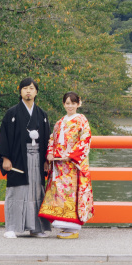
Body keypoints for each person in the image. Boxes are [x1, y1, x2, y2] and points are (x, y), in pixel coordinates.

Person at [0, 77, 52, 238]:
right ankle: (12, 228)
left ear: (36, 92)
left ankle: (36, 228)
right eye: (25, 88)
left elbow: (47, 137)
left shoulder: (42, 114)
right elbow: (4, 137)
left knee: (36, 192)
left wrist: (46, 160)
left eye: (32, 88)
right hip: (18, 158)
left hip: (37, 158)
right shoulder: (11, 113)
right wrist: (5, 158)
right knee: (17, 191)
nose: (28, 91)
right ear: (20, 91)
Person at [38, 91, 94, 239]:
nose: (70, 106)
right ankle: (65, 226)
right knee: (60, 194)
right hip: (59, 164)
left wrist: (71, 156)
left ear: (78, 104)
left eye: (73, 103)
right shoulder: (60, 122)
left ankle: (73, 228)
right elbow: (51, 139)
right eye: (67, 103)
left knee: (72, 194)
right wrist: (49, 153)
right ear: (63, 104)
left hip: (72, 164)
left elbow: (85, 139)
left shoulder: (82, 120)